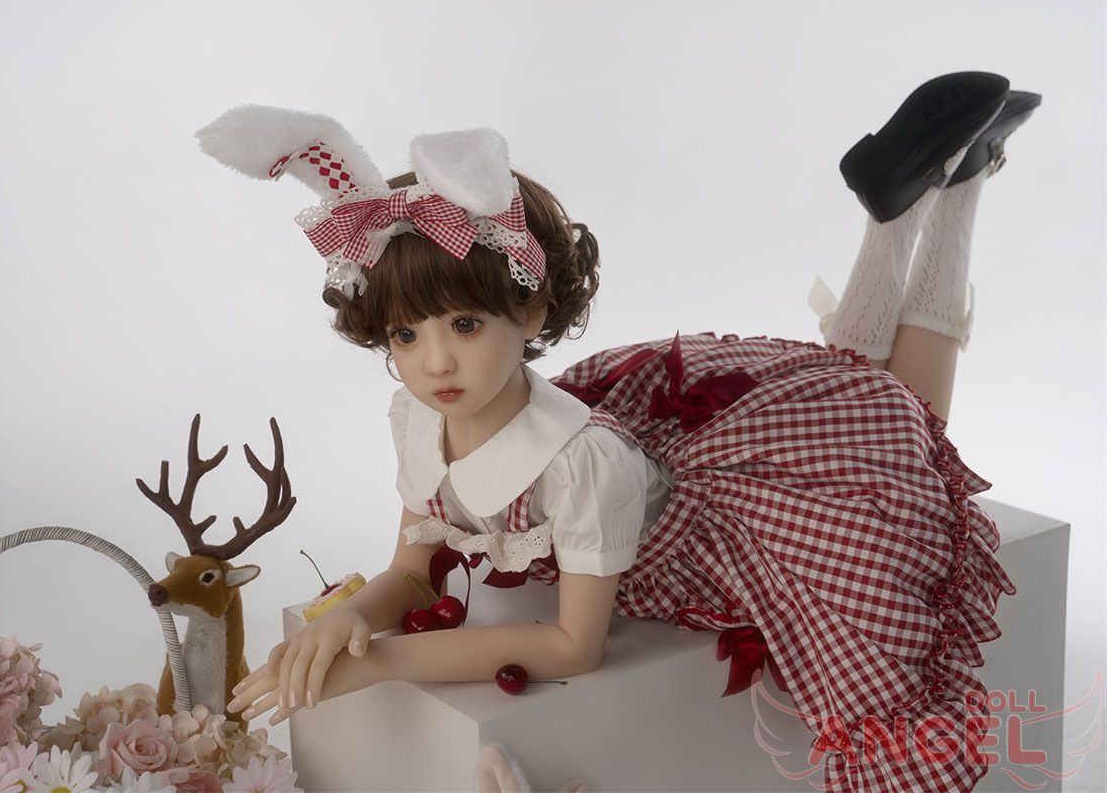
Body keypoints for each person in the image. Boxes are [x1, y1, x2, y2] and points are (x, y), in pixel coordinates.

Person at [198, 70, 1040, 791]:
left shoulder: (578, 465)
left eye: (465, 325)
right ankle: (927, 195)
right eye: (405, 335)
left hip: (720, 525)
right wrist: (349, 619)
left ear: (530, 311)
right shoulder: (417, 417)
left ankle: (948, 196)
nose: (435, 364)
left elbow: (574, 647)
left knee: (899, 416)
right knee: (867, 394)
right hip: (655, 435)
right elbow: (416, 570)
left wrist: (383, 661)